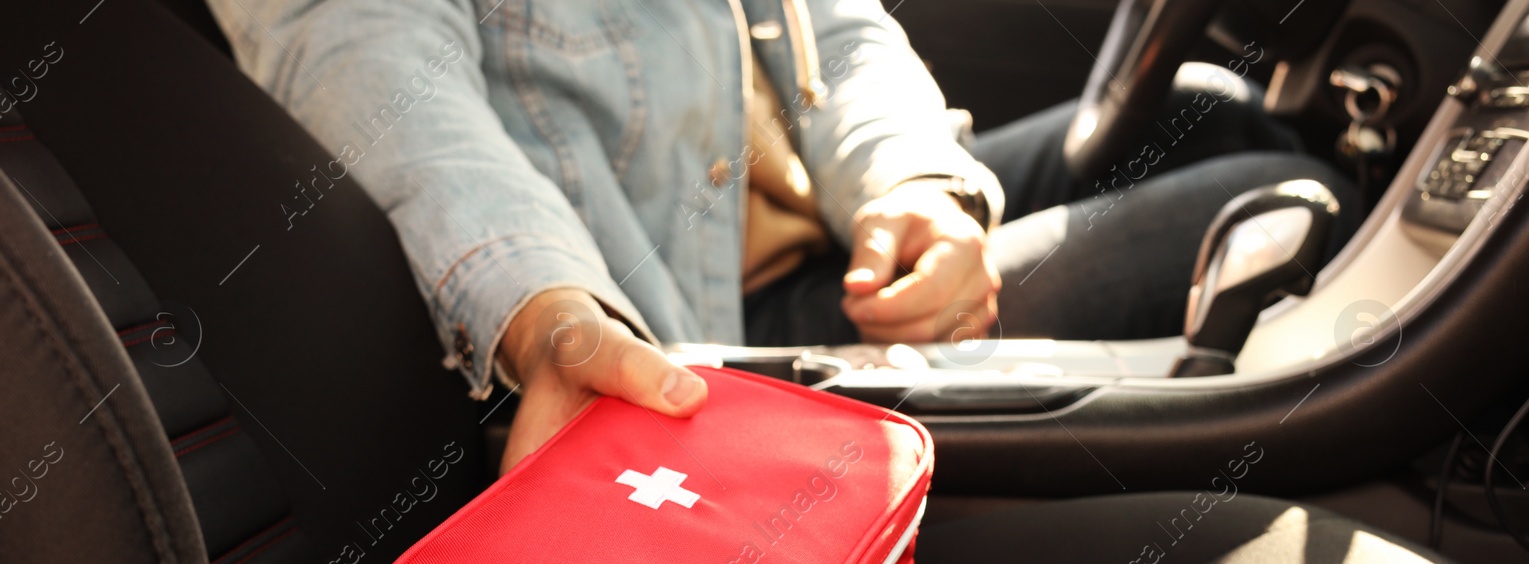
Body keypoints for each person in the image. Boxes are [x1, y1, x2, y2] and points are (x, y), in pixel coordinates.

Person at [209, 0, 1349, 470]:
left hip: (808, 215)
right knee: (1261, 202)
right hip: (699, 323)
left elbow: (838, 35)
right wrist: (544, 310)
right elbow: (363, 61)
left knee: (1214, 109)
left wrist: (916, 188)